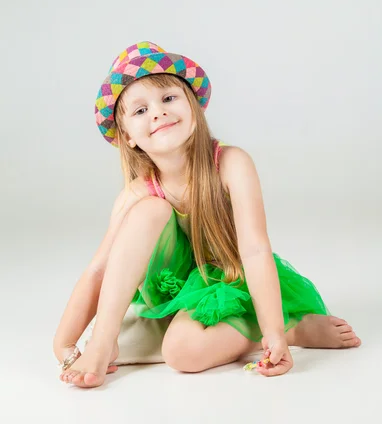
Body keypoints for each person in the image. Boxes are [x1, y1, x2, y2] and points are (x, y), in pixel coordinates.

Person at [54, 40, 362, 388]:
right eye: (140, 111)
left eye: (168, 98)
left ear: (194, 106)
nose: (157, 112)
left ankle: (293, 327)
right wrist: (64, 340)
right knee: (147, 211)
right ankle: (102, 343)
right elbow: (99, 268)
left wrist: (275, 331)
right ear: (128, 136)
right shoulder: (137, 192)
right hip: (167, 293)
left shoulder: (230, 164)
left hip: (226, 280)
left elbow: (255, 250)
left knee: (183, 354)